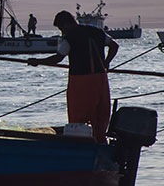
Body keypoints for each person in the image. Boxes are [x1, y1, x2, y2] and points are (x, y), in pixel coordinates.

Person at [29, 10, 118, 142]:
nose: (61, 32)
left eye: (61, 29)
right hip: (101, 79)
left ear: (65, 25)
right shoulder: (97, 31)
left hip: (81, 80)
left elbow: (58, 58)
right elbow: (114, 46)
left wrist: (38, 62)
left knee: (79, 114)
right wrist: (106, 63)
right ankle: (100, 141)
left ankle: (81, 144)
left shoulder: (69, 37)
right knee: (100, 113)